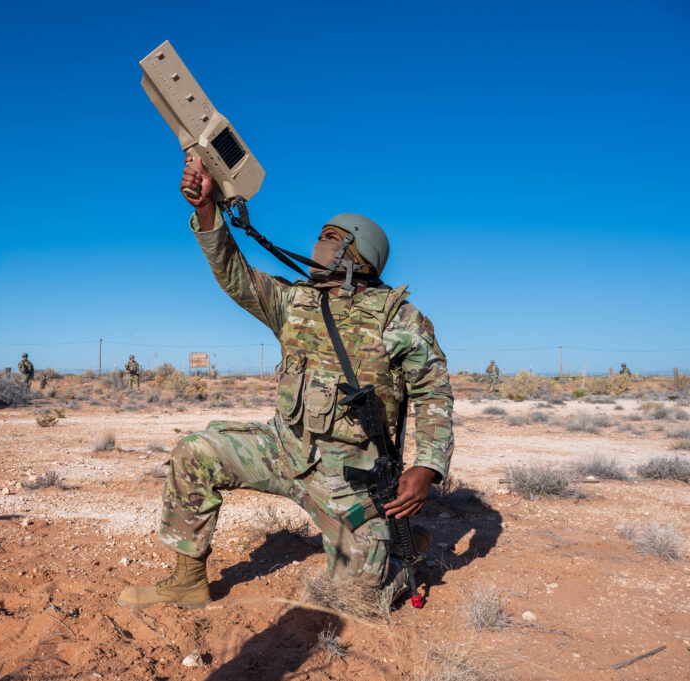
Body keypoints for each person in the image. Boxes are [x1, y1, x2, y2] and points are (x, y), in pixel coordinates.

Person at [117, 157, 454, 610]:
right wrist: (206, 210)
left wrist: (427, 468)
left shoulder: (400, 319)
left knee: (355, 598)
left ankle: (390, 552)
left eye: (330, 238)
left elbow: (433, 394)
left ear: (358, 256)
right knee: (194, 452)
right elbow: (235, 275)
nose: (317, 244)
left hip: (349, 475)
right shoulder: (294, 303)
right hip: (283, 448)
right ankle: (188, 580)